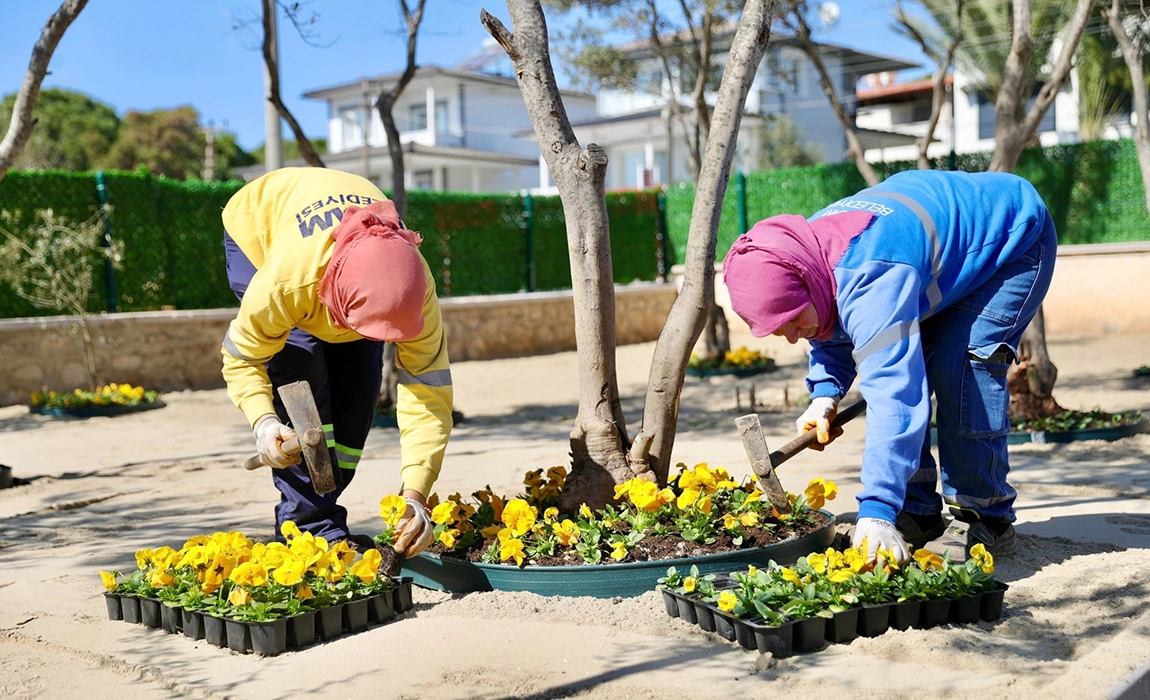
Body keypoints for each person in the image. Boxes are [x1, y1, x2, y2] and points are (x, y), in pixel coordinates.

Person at [722, 170, 1056, 563]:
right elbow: (832, 324)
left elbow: (894, 393)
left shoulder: (870, 276)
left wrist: (876, 509)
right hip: (928, 257)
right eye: (781, 330)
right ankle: (917, 510)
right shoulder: (804, 257)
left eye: (793, 321)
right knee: (914, 365)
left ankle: (984, 515)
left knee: (961, 368)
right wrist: (825, 395)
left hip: (1012, 240)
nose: (794, 337)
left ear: (806, 282)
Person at [221, 167, 452, 557]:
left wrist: (415, 495)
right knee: (301, 380)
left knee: (357, 394)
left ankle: (321, 511)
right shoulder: (288, 282)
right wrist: (264, 423)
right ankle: (309, 529)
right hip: (258, 228)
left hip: (352, 266)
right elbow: (242, 357)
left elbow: (427, 391)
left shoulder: (416, 285)